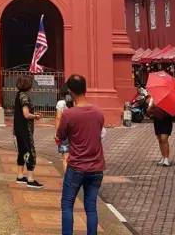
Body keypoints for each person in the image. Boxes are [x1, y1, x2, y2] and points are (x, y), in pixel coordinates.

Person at [56, 74, 105, 235]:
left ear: (70, 92)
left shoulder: (69, 114)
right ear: (85, 89)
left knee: (67, 204)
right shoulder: (98, 113)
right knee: (91, 206)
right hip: (96, 166)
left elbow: (60, 135)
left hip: (77, 165)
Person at [13, 73, 43, 189]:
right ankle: (30, 178)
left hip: (18, 129)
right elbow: (26, 114)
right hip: (25, 129)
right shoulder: (24, 97)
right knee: (29, 151)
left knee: (22, 151)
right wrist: (35, 116)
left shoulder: (18, 95)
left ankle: (20, 175)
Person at [147, 96, 172, 166]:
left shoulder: (169, 99)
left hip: (167, 120)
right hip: (157, 120)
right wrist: (151, 106)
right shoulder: (154, 98)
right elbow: (149, 110)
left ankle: (167, 158)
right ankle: (163, 157)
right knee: (160, 140)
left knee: (164, 139)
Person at [55, 84, 73, 173]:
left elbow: (58, 118)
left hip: (64, 132)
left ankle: (67, 179)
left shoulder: (61, 103)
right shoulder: (75, 102)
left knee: (65, 157)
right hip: (75, 132)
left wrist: (57, 132)